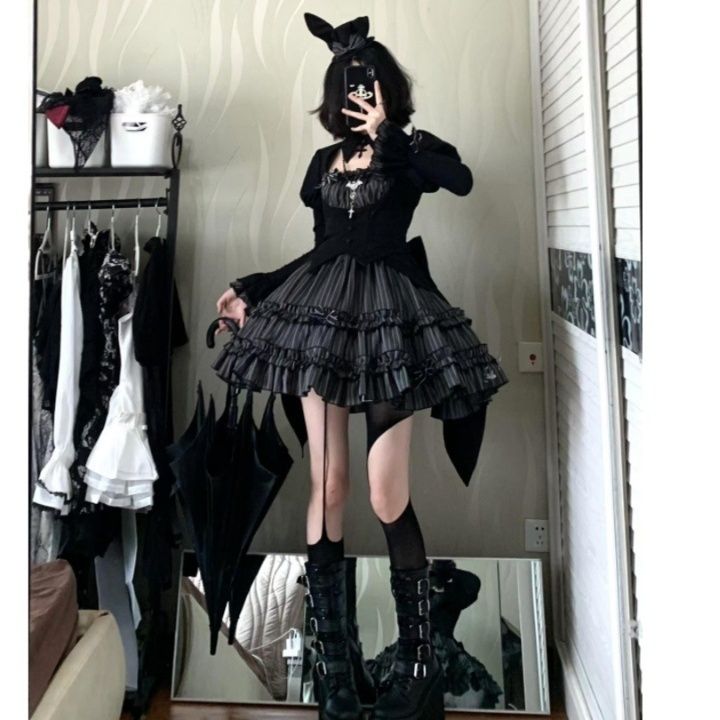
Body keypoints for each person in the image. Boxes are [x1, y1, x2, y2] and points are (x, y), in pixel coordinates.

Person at [213, 12, 509, 720]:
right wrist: (253, 288)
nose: (357, 93)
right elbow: (322, 251)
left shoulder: (412, 149)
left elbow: (462, 180)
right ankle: (337, 670)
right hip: (322, 323)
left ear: (387, 89)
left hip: (391, 325)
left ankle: (418, 665)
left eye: (368, 82)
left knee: (384, 493)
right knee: (329, 483)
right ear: (333, 93)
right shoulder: (322, 166)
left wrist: (389, 137)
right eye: (347, 84)